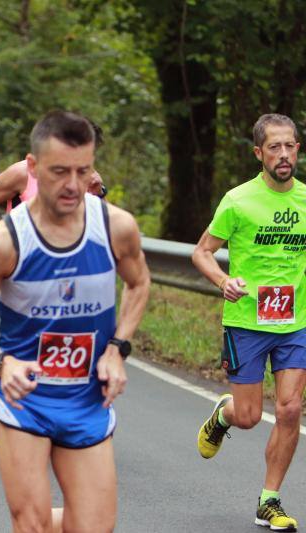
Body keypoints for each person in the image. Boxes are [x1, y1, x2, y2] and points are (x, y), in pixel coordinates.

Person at [0, 111, 150, 532]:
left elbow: (138, 283)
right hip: (26, 402)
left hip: (87, 399)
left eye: (84, 170)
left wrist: (118, 348)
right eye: (60, 172)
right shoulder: (7, 241)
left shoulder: (116, 227)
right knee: (32, 525)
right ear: (34, 168)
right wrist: (0, 363)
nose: (74, 185)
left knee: (94, 527)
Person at [192, 113, 306, 532]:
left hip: (296, 322)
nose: (283, 154)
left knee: (291, 409)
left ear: (298, 149)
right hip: (247, 322)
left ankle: (269, 500)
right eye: (274, 147)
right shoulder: (238, 200)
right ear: (259, 153)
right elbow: (201, 252)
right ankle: (224, 415)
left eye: (289, 145)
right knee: (249, 417)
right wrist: (224, 280)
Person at [0, 122, 107, 250]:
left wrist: (99, 193)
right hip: (19, 261)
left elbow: (102, 227)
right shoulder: (23, 172)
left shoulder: (88, 178)